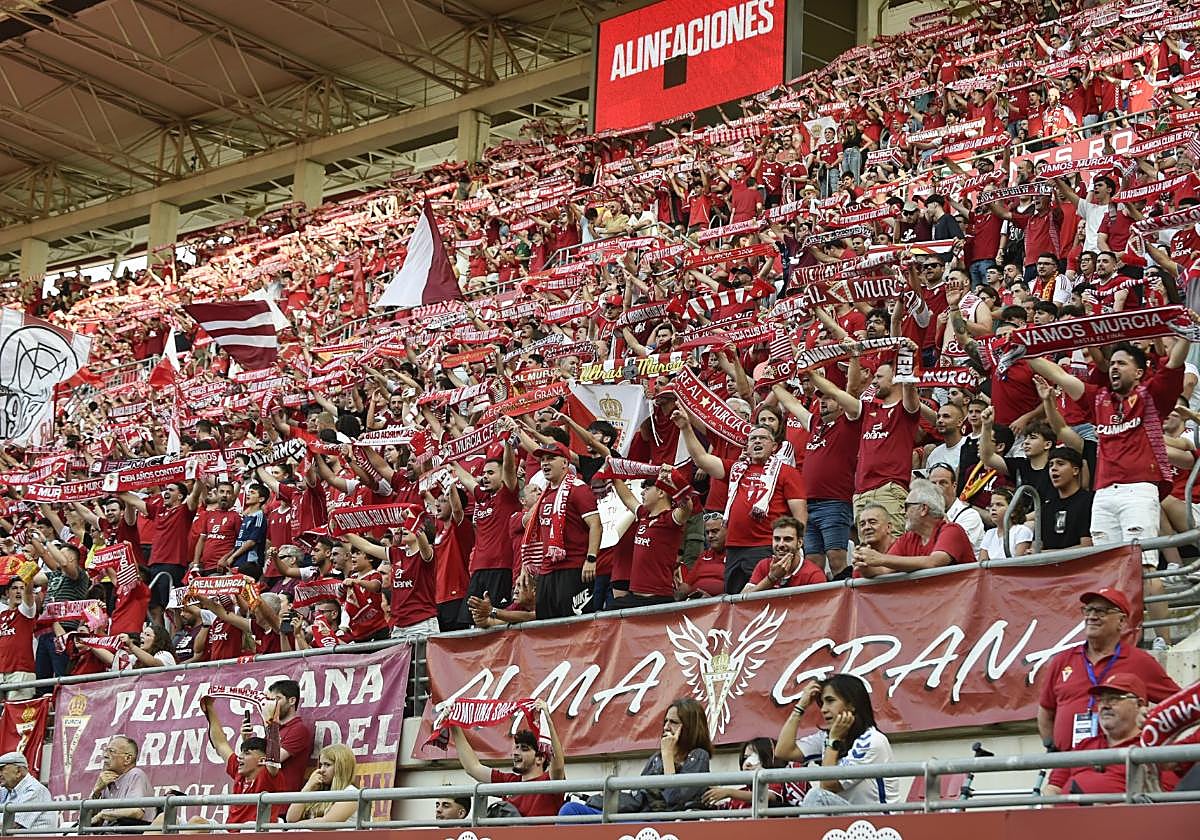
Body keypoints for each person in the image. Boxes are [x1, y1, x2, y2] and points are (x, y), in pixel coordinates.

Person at [674, 413, 807, 594]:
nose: (757, 442)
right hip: (734, 547)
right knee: (735, 602)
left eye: (763, 438)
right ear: (747, 447)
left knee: (760, 600)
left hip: (765, 546)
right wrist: (685, 428)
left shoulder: (787, 472)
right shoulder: (736, 469)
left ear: (774, 446)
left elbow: (799, 513)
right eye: (753, 439)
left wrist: (798, 546)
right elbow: (701, 459)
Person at [1037, 587, 1179, 752]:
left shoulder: (1140, 661)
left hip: (1119, 765)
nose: (1091, 616)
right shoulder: (1062, 660)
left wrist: (1152, 724)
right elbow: (1046, 710)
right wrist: (1051, 747)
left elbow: (1179, 703)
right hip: (1068, 765)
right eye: (1088, 610)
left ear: (1121, 621)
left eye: (1101, 611)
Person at [559, 698, 713, 817]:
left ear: (690, 727)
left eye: (673, 722)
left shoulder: (698, 756)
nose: (666, 727)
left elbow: (673, 800)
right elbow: (639, 797)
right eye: (665, 721)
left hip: (662, 824)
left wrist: (667, 755)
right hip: (637, 816)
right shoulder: (656, 759)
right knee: (571, 810)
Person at [774, 674, 900, 809]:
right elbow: (783, 751)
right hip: (845, 822)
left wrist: (834, 741)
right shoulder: (827, 737)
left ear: (851, 705)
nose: (823, 709)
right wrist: (801, 706)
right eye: (822, 703)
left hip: (876, 823)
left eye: (830, 701)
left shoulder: (872, 741)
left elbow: (828, 785)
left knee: (817, 796)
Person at [1043, 673, 1165, 797]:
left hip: (1119, 816)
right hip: (1066, 815)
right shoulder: (1084, 745)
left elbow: (1163, 800)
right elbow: (1053, 788)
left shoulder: (1151, 748)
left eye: (1113, 699)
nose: (1104, 706)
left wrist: (1102, 811)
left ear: (1139, 705)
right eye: (1100, 700)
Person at [522, 442, 601, 619]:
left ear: (565, 463)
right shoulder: (544, 495)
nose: (544, 463)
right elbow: (529, 527)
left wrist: (591, 559)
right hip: (547, 571)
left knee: (575, 625)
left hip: (573, 568)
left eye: (551, 458)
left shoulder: (578, 489)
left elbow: (596, 524)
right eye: (542, 460)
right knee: (547, 626)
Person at [451, 699, 565, 818]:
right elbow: (473, 768)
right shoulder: (509, 781)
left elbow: (558, 766)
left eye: (524, 749)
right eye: (516, 748)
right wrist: (453, 725)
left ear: (540, 759)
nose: (516, 753)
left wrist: (548, 722)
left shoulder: (548, 779)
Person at [853, 478, 975, 576]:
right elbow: (883, 570)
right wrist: (865, 565)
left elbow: (934, 562)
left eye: (906, 507)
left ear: (923, 509)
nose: (902, 512)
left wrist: (880, 558)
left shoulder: (952, 530)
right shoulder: (908, 538)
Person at [200, 696, 282, 829]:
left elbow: (273, 759)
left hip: (255, 832)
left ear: (262, 760)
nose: (240, 757)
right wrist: (209, 707)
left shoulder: (269, 775)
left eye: (247, 753)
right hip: (228, 832)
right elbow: (220, 743)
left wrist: (272, 723)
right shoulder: (239, 771)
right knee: (191, 821)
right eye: (242, 752)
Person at [744, 516, 826, 593]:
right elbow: (741, 601)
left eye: (787, 539)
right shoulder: (764, 565)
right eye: (777, 539)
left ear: (800, 543)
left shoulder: (814, 574)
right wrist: (771, 578)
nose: (781, 544)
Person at [284, 744, 359, 826]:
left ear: (341, 767)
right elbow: (291, 819)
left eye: (327, 765)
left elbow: (327, 823)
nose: (322, 770)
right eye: (321, 765)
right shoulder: (317, 788)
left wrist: (297, 826)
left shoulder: (351, 792)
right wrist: (308, 787)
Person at [88, 735, 155, 826]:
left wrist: (103, 814)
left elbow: (137, 812)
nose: (105, 755)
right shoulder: (106, 780)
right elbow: (88, 821)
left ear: (127, 759)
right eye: (105, 751)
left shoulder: (135, 775)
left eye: (111, 751)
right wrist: (96, 791)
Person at [1040, 447, 1093, 550]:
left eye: (1060, 463)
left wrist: (1046, 554)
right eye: (1051, 465)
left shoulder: (1089, 501)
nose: (1053, 468)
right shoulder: (1046, 507)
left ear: (1075, 470)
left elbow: (1087, 546)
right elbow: (1037, 545)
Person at [0, 576, 38, 700]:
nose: (18, 591)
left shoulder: (26, 612)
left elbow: (29, 592)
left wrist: (30, 567)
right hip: (1, 671)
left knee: (17, 715)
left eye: (22, 588)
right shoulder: (1, 615)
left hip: (21, 671)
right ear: (7, 593)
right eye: (14, 588)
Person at [0, 751, 58, 831]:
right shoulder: (5, 790)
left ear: (18, 772)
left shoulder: (35, 790)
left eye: (1, 769)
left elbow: (12, 824)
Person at [979, 487, 1033, 560]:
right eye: (991, 505)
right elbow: (981, 564)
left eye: (999, 504)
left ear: (1013, 511)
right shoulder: (989, 534)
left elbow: (1018, 563)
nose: (993, 508)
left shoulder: (1022, 531)